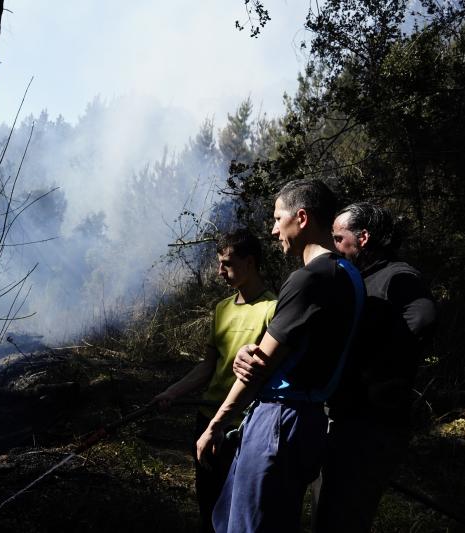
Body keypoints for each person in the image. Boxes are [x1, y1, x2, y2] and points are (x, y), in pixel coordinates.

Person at [197, 179, 364, 533]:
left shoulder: (308, 279)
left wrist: (216, 424)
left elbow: (259, 367)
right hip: (310, 419)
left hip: (278, 419)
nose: (273, 230)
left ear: (301, 218)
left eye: (277, 218)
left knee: (248, 525)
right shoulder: (350, 276)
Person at [312, 201, 437, 532]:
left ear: (363, 237)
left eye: (338, 237)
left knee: (344, 519)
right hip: (342, 418)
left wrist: (374, 369)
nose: (333, 245)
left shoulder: (396, 275)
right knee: (326, 513)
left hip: (369, 426)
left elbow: (422, 317)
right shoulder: (356, 278)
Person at [153, 229, 277, 533]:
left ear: (250, 262)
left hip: (243, 429)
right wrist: (171, 391)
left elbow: (269, 373)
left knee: (238, 510)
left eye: (227, 264)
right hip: (206, 421)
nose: (220, 271)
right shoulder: (222, 308)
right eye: (219, 263)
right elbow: (209, 366)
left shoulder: (272, 309)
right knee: (207, 505)